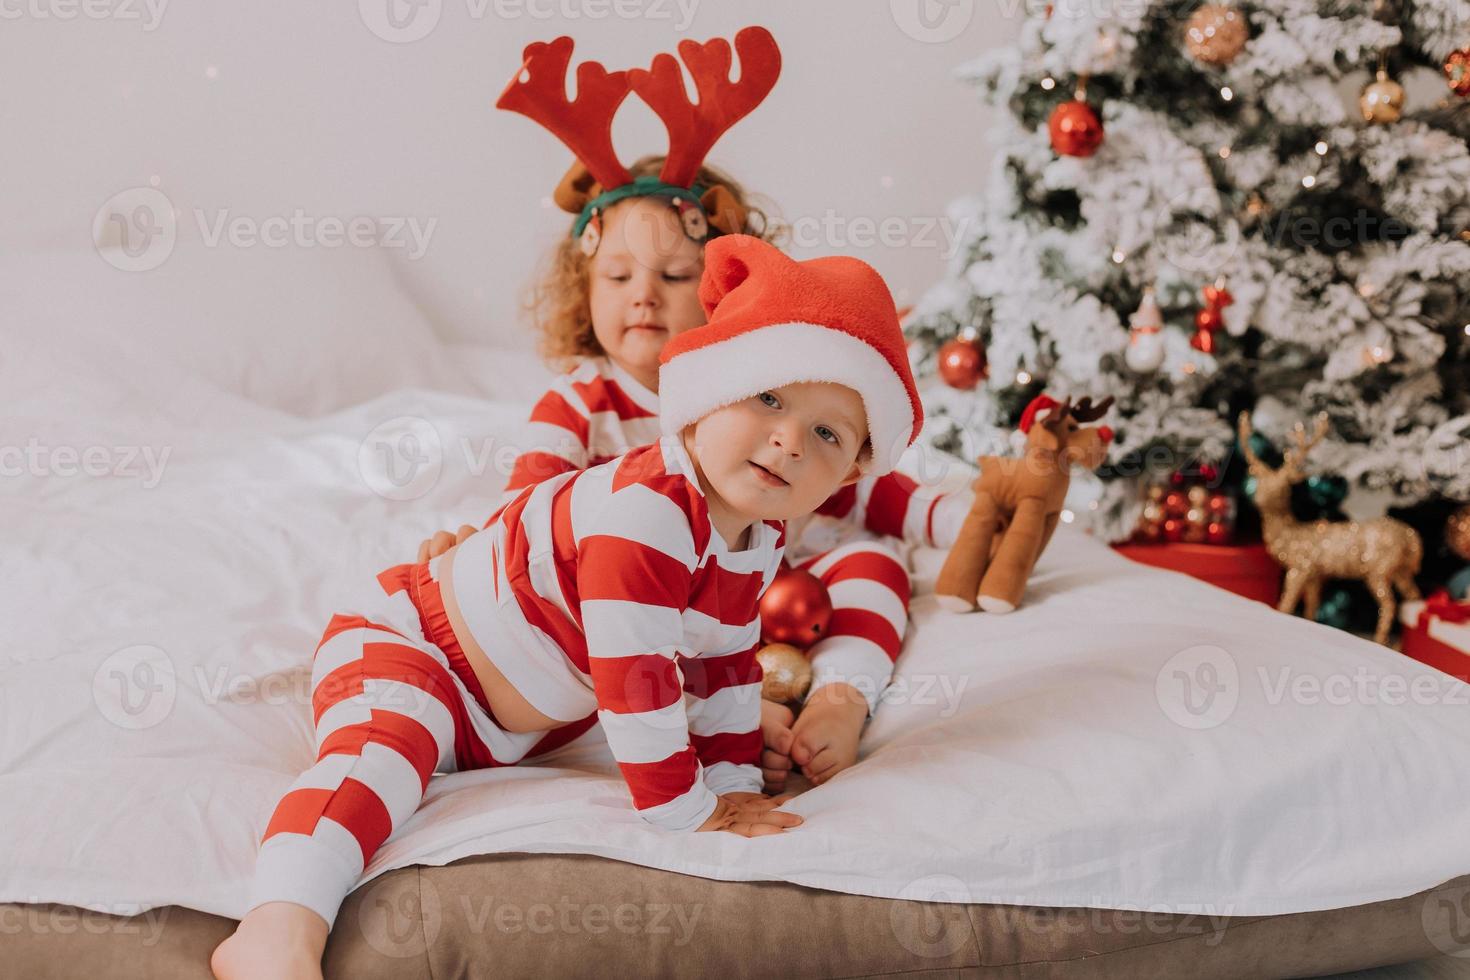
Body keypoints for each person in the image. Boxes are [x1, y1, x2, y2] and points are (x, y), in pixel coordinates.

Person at [210, 233, 927, 980]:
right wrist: (689, 810)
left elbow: (727, 663)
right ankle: (276, 926)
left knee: (694, 713)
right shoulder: (646, 511)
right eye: (768, 397)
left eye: (826, 433)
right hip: (414, 647)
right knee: (382, 757)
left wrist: (734, 785)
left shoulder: (756, 536)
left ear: (847, 475)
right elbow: (636, 677)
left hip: (528, 716)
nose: (787, 440)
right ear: (705, 394)